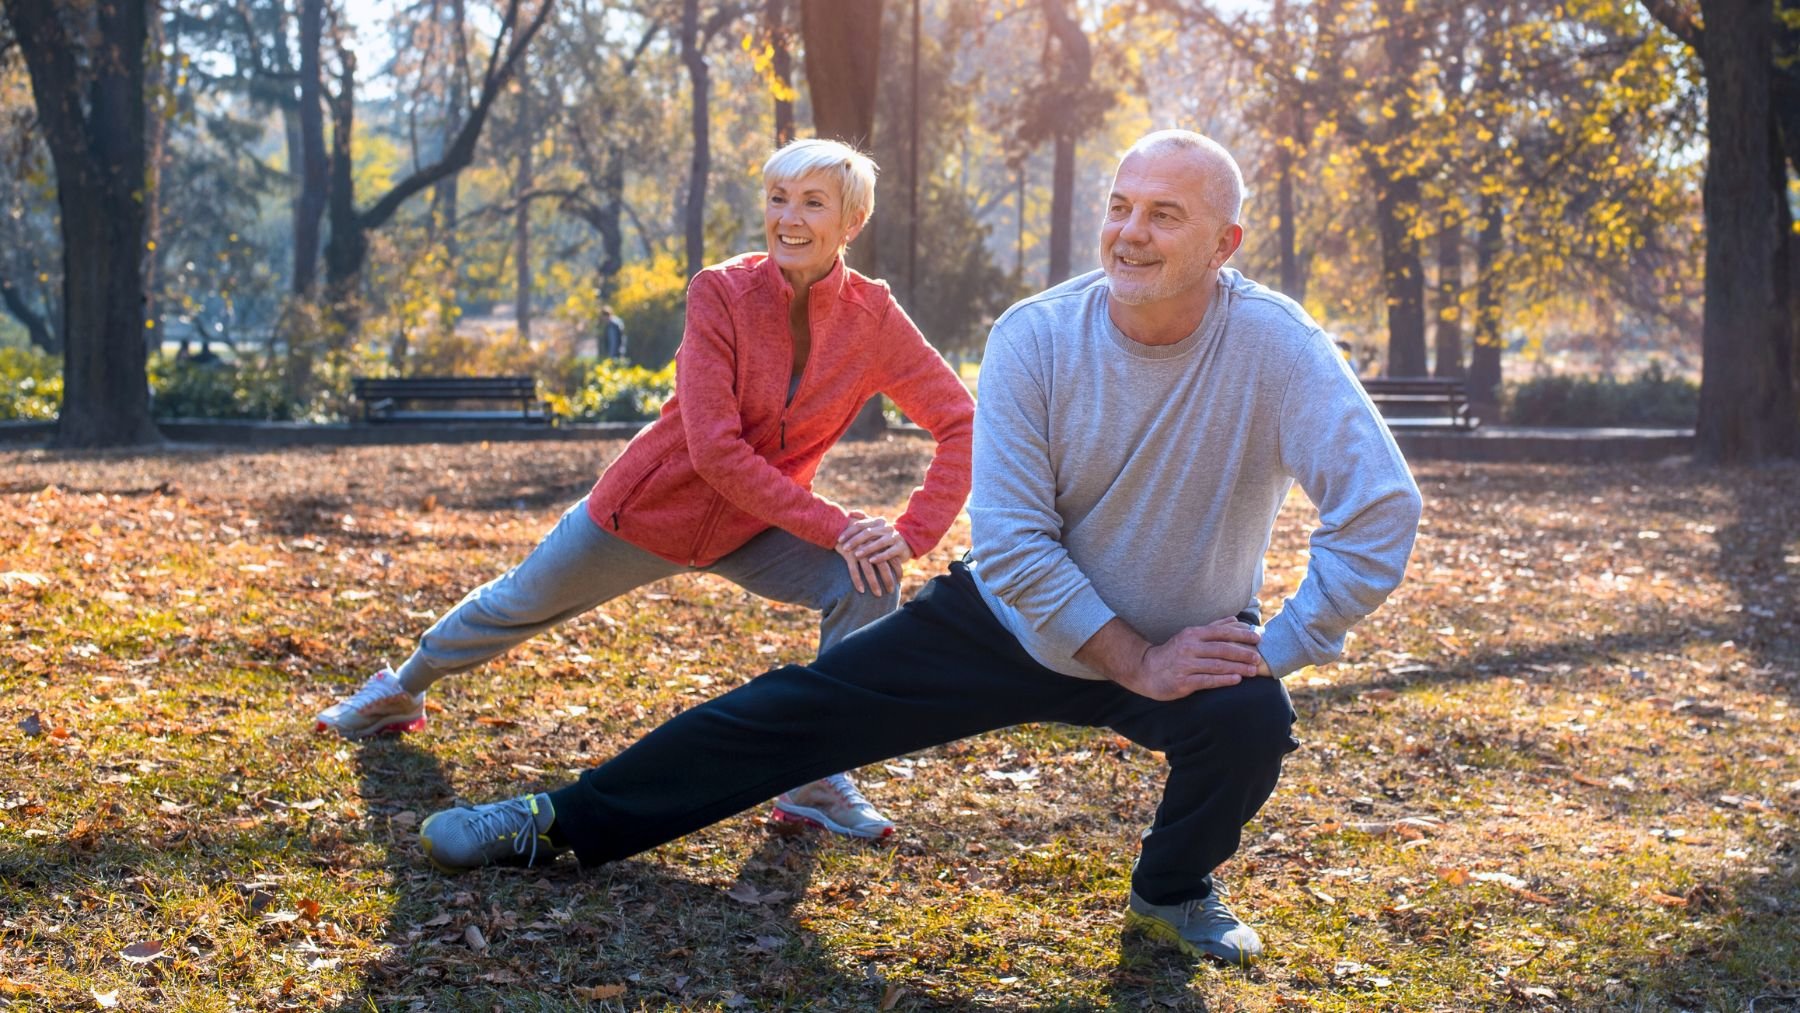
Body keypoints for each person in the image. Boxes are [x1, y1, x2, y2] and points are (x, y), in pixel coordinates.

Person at [413, 130, 1422, 964]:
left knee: (1251, 721)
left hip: (1185, 634)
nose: (1130, 231)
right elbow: (1019, 543)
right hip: (1010, 622)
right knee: (791, 713)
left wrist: (1274, 644)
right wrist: (1132, 659)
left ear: (1226, 241)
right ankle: (557, 819)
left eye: (1165, 214)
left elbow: (1378, 507)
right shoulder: (1038, 336)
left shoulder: (1277, 345)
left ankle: (1173, 887)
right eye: (1120, 205)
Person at [315, 138, 975, 841]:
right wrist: (837, 522)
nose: (789, 217)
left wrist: (907, 533)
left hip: (755, 528)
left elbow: (962, 421)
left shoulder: (873, 319)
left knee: (869, 576)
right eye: (778, 198)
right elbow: (716, 451)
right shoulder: (720, 292)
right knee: (517, 601)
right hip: (648, 512)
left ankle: (814, 771)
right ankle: (401, 688)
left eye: (813, 203)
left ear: (851, 222)